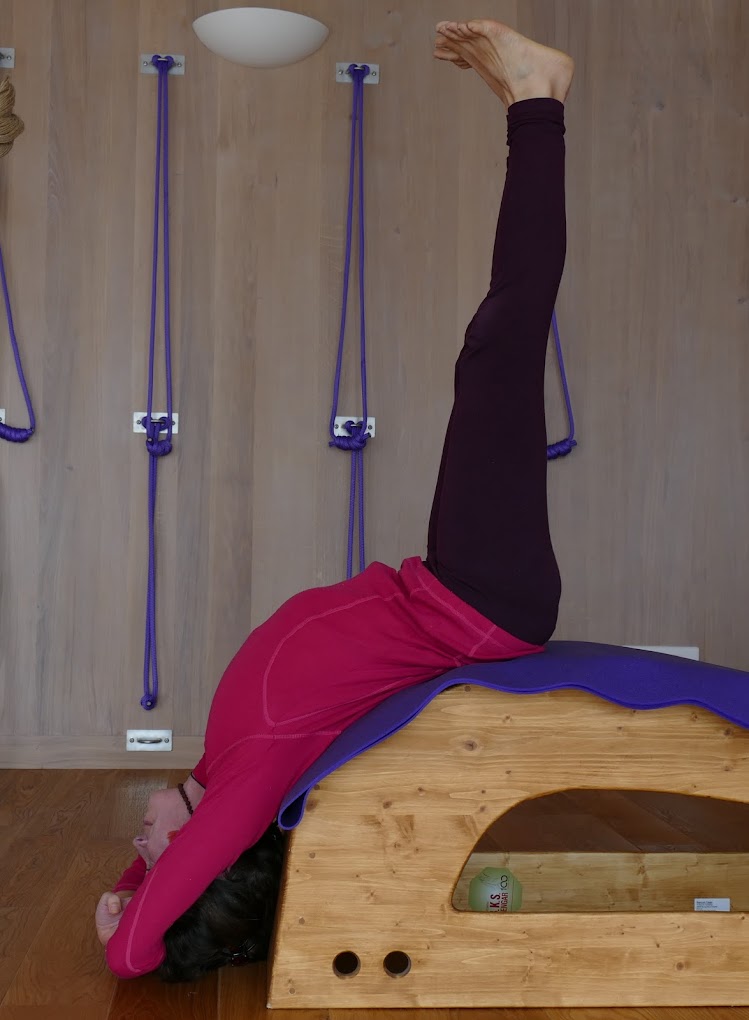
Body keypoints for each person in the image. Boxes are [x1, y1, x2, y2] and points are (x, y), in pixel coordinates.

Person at [96, 18, 575, 982]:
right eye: (154, 856)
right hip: (475, 601)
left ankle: (533, 104)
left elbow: (156, 872)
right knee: (501, 344)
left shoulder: (217, 767)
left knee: (495, 348)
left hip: (450, 586)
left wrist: (128, 880)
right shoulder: (247, 787)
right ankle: (538, 102)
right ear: (200, 858)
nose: (140, 845)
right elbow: (132, 955)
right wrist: (128, 913)